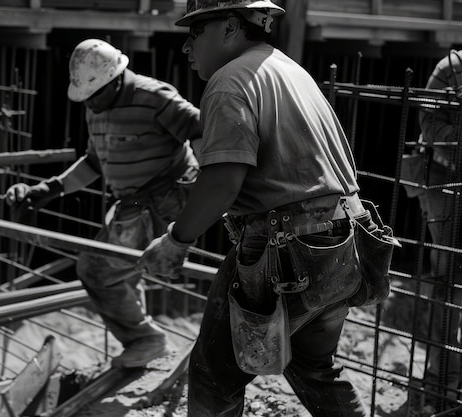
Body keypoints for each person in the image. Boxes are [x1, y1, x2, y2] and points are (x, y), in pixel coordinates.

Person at [138, 1, 397, 416]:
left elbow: (223, 182)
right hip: (342, 243)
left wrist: (175, 241)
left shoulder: (228, 81)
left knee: (214, 374)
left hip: (288, 251)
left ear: (228, 27)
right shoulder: (290, 70)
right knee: (314, 365)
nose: (187, 47)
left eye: (194, 32)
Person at [5, 38, 201, 368]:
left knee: (97, 270)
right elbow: (94, 163)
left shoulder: (154, 97)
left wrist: (211, 189)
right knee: (110, 269)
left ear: (115, 80)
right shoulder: (96, 109)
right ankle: (145, 339)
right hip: (134, 202)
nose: (89, 105)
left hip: (168, 195)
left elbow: (201, 130)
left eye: (94, 96)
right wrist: (48, 189)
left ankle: (145, 340)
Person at [413, 49, 462, 411]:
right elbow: (428, 121)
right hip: (447, 183)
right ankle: (441, 379)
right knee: (447, 281)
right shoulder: (452, 68)